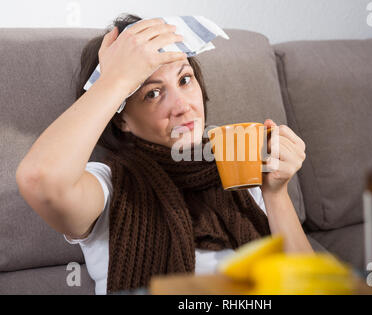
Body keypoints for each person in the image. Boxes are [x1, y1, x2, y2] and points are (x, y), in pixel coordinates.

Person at [15, 14, 312, 295]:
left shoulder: (237, 168)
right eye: (152, 93)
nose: (183, 106)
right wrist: (115, 80)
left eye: (185, 80)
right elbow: (41, 180)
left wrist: (275, 192)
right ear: (122, 119)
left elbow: (307, 284)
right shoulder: (106, 185)